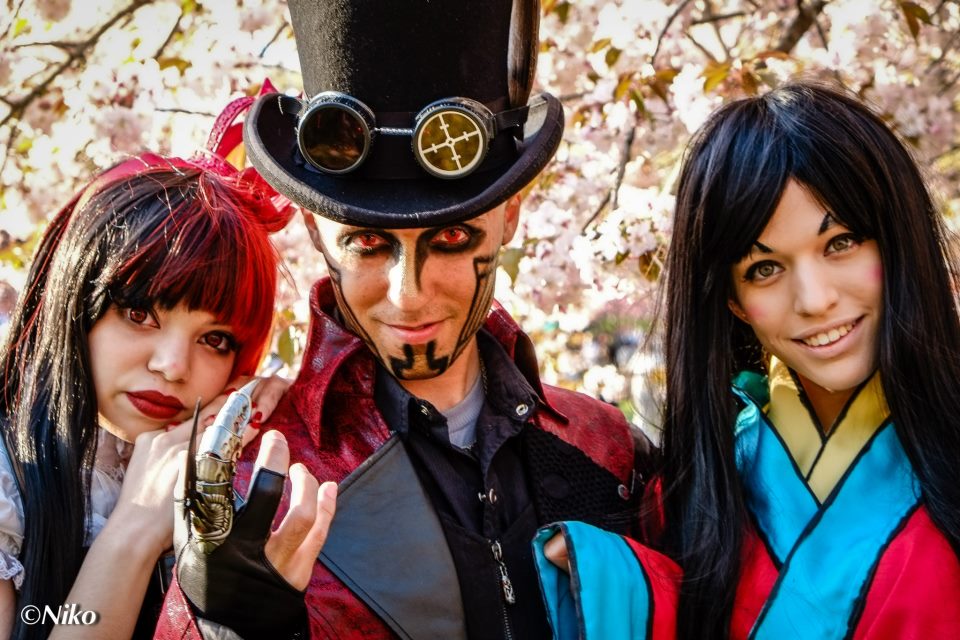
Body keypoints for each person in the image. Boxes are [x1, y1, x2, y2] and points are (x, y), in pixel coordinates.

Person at [154, 1, 655, 639]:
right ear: (314, 229)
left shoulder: (606, 446)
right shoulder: (248, 483)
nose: (408, 295)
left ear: (510, 215)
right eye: (366, 243)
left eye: (451, 238)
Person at [533, 81, 960, 639]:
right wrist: (617, 583)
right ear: (731, 300)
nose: (815, 300)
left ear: (898, 240)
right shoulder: (697, 492)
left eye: (841, 243)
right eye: (765, 269)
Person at [0, 100, 295, 640]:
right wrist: (137, 530)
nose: (173, 367)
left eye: (215, 339)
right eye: (139, 314)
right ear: (73, 303)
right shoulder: (7, 484)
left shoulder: (217, 466)